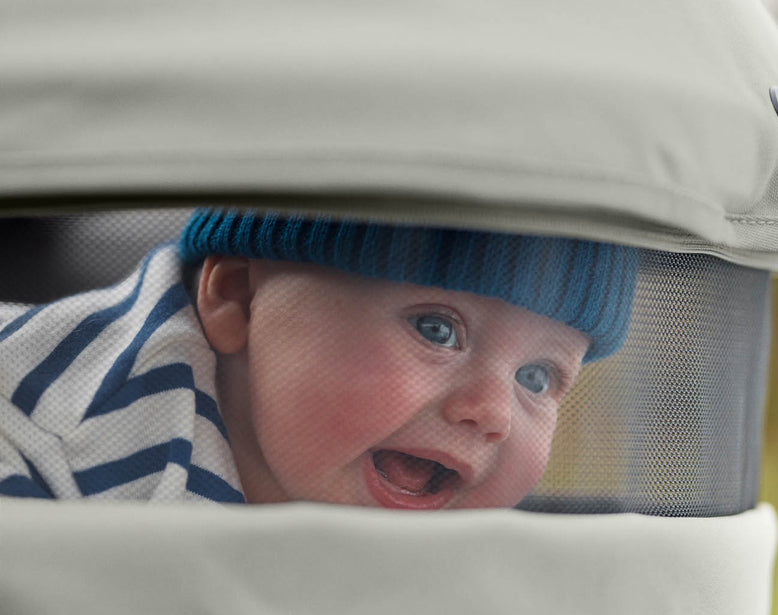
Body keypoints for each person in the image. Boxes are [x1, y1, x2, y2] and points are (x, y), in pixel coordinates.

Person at [0, 209, 638, 508]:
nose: (490, 412)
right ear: (239, 300)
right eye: (437, 331)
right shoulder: (67, 443)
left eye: (537, 377)